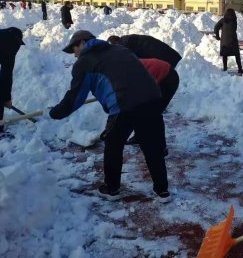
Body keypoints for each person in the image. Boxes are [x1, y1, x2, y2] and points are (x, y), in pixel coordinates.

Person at [46, 30, 170, 202]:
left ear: (81, 42)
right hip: (152, 99)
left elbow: (75, 98)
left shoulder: (84, 62)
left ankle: (111, 189)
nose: (74, 55)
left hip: (124, 105)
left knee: (113, 144)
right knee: (151, 145)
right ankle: (162, 191)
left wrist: (55, 113)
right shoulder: (119, 49)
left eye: (73, 49)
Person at [107, 34, 182, 69]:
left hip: (163, 56)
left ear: (116, 43)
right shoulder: (127, 39)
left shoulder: (126, 45)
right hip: (166, 53)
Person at [214, 8, 243, 74]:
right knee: (237, 54)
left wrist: (217, 36)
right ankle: (240, 69)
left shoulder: (223, 20)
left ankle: (225, 68)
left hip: (225, 40)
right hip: (233, 40)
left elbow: (216, 27)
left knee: (225, 54)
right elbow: (234, 29)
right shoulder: (234, 21)